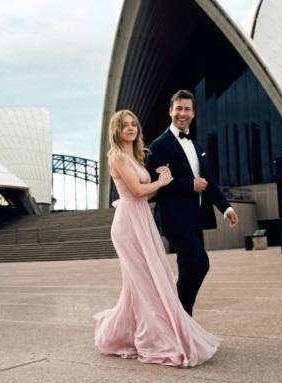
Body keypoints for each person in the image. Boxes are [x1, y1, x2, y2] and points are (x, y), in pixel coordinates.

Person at [93, 109, 220, 367]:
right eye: (124, 125)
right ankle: (153, 338)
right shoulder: (117, 157)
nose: (130, 129)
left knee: (143, 282)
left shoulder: (135, 156)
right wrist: (162, 182)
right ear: (116, 130)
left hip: (141, 219)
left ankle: (125, 332)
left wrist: (165, 182)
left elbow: (145, 194)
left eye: (133, 125)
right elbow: (139, 191)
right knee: (146, 282)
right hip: (128, 224)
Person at [146, 89, 238, 317]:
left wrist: (226, 207)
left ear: (193, 113)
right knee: (199, 264)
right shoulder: (159, 145)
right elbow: (155, 181)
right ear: (170, 111)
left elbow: (209, 182)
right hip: (175, 218)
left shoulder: (196, 146)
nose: (182, 113)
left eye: (187, 109)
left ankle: (181, 321)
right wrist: (189, 184)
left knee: (188, 268)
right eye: (178, 108)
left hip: (196, 217)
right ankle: (178, 313)